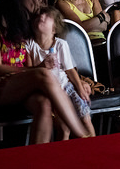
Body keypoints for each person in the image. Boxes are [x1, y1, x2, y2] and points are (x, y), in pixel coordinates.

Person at [0, 0, 88, 144]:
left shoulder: (23, 24)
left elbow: (35, 60)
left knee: (44, 104)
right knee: (43, 74)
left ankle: (37, 162)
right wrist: (36, 71)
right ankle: (83, 135)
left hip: (20, 84)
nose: (37, 0)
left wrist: (78, 81)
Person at [25, 7, 95, 140]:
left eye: (47, 17)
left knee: (85, 117)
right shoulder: (29, 45)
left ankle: (95, 147)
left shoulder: (60, 45)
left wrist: (80, 88)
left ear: (54, 29)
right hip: (47, 91)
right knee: (63, 127)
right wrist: (41, 65)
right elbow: (28, 71)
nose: (41, 17)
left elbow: (70, 70)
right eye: (39, 15)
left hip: (67, 88)